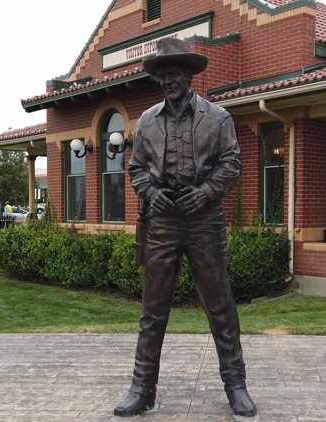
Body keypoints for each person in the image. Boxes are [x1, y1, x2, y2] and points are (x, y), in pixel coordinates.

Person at [114, 38, 257, 418]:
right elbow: (136, 168)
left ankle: (236, 386)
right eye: (163, 75)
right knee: (153, 308)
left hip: (204, 220)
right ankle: (142, 388)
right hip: (162, 222)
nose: (168, 81)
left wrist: (208, 192)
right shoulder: (146, 121)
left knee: (220, 305)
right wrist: (150, 192)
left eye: (174, 73)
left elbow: (231, 164)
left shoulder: (218, 118)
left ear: (190, 75)